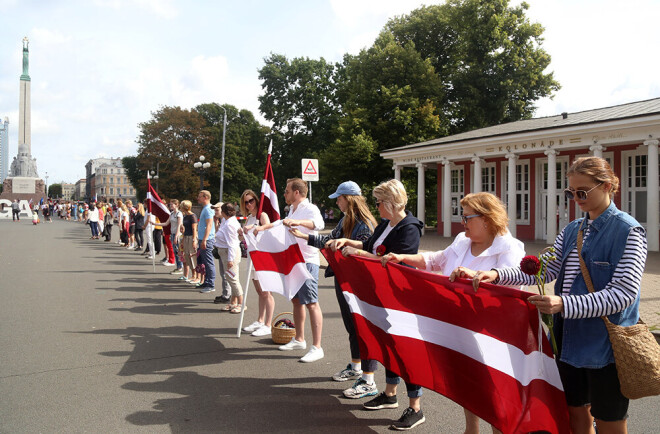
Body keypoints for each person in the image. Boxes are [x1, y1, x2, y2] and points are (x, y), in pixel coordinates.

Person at [473, 157, 647, 434]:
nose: (575, 198)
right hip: (568, 340)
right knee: (575, 413)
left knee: (609, 421)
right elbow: (543, 270)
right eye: (571, 192)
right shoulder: (572, 229)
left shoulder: (629, 231)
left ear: (607, 186)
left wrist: (564, 303)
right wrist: (498, 275)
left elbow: (623, 295)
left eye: (582, 192)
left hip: (608, 344)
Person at [382, 192, 525, 434]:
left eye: (467, 217)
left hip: (491, 334)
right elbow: (437, 260)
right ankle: (471, 430)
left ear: (487, 219)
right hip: (460, 327)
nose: (463, 222)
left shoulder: (510, 248)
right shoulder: (461, 240)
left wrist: (473, 278)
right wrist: (404, 257)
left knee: (495, 391)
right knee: (467, 384)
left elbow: (510, 287)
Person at [328, 178, 425, 431]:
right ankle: (390, 394)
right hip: (379, 296)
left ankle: (415, 407)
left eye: (380, 202)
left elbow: (394, 263)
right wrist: (350, 242)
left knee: (404, 350)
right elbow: (371, 246)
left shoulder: (409, 227)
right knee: (387, 346)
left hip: (397, 298)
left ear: (392, 203)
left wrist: (360, 254)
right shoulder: (385, 224)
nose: (377, 207)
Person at [291, 181, 377, 380]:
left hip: (357, 281)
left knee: (359, 327)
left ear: (348, 199)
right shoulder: (345, 219)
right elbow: (328, 239)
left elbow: (365, 252)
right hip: (344, 277)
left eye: (338, 199)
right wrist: (304, 236)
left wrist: (343, 246)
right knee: (350, 325)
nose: (337, 202)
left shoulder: (364, 224)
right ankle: (356, 366)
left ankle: (367, 376)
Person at [255, 178, 325, 363]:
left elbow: (319, 224)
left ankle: (317, 347)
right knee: (296, 301)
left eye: (286, 191)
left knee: (311, 302)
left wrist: (297, 221)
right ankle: (299, 339)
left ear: (296, 192)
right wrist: (259, 228)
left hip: (307, 260)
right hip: (294, 260)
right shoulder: (292, 209)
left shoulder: (310, 208)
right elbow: (280, 223)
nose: (284, 194)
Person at [240, 189, 274, 337]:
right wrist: (242, 234)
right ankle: (260, 320)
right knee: (260, 292)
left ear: (256, 200)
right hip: (252, 258)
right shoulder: (249, 218)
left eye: (251, 201)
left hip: (262, 257)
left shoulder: (262, 215)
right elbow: (245, 240)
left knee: (266, 292)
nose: (249, 204)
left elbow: (269, 228)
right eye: (246, 202)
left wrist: (254, 228)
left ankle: (268, 324)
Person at [215, 203, 244, 313]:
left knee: (233, 279)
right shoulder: (226, 221)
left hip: (229, 253)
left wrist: (230, 259)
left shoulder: (229, 224)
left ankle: (241, 303)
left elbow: (232, 243)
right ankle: (233, 302)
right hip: (225, 253)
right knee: (231, 278)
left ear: (223, 212)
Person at [196, 190, 216, 293]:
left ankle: (211, 284)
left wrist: (204, 239)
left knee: (208, 262)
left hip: (207, 240)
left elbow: (209, 225)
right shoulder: (206, 208)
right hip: (203, 239)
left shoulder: (208, 209)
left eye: (200, 196)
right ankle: (207, 282)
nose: (198, 198)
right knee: (204, 262)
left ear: (205, 197)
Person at [178, 200, 199, 284]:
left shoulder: (192, 216)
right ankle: (193, 274)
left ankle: (197, 275)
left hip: (191, 237)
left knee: (192, 255)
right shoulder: (185, 216)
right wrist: (182, 241)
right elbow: (184, 229)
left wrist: (194, 240)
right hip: (186, 237)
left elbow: (194, 229)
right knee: (187, 256)